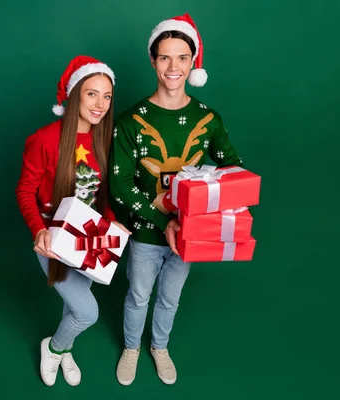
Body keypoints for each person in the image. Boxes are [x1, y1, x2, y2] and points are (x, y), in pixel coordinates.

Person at [108, 13, 244, 385]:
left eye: (182, 58)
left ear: (193, 62)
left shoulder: (208, 119)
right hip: (147, 234)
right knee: (138, 296)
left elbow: (233, 168)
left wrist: (211, 215)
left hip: (190, 235)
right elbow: (119, 184)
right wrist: (162, 221)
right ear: (153, 61)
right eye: (165, 57)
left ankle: (160, 346)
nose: (173, 67)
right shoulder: (130, 120)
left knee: (170, 298)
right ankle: (132, 347)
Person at [15, 55, 130, 387]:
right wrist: (38, 229)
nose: (100, 104)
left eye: (107, 96)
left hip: (91, 236)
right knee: (87, 312)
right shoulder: (44, 139)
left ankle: (64, 351)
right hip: (54, 237)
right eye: (92, 93)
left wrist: (112, 222)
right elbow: (25, 189)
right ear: (75, 93)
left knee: (74, 306)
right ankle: (52, 349)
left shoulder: (103, 139)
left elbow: (103, 196)